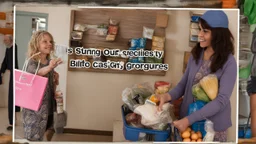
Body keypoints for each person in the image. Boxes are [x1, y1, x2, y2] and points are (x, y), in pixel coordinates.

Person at [157, 10, 237, 142]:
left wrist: (189, 119)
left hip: (212, 127)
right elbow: (184, 85)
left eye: (205, 31)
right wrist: (167, 96)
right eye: (200, 29)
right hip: (187, 123)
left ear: (218, 34)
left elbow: (221, 100)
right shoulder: (196, 54)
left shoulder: (229, 62)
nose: (199, 34)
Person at [22, 30, 62, 141]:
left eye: (50, 41)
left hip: (48, 106)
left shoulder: (49, 62)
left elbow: (50, 87)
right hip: (34, 109)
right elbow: (35, 74)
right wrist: (49, 68)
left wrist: (55, 81)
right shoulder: (31, 61)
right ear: (36, 44)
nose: (49, 44)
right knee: (34, 136)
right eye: (45, 41)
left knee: (48, 131)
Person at [0, 34, 20, 131]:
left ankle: (12, 122)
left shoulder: (14, 47)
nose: (4, 42)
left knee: (12, 98)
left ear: (10, 40)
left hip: (14, 74)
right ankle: (13, 120)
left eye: (5, 40)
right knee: (12, 98)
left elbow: (13, 63)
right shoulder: (8, 48)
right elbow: (5, 61)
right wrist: (1, 72)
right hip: (11, 73)